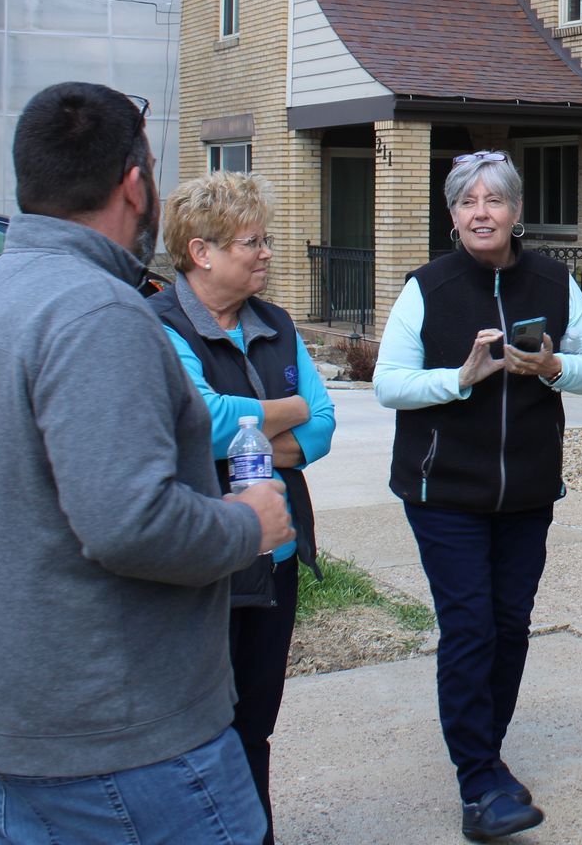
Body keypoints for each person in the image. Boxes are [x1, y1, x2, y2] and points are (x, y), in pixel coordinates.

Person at [0, 82, 292, 845]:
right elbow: (133, 524)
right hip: (120, 740)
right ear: (134, 183)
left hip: (10, 721)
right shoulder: (98, 313)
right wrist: (246, 524)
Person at [373, 150, 582, 841]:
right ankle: (479, 780)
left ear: (515, 212)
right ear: (452, 216)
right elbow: (390, 383)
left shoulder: (554, 281)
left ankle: (487, 758)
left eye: (495, 200)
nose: (482, 213)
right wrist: (461, 376)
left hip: (527, 492)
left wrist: (556, 366)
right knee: (471, 625)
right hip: (443, 490)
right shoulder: (429, 287)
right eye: (468, 202)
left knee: (509, 626)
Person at [149, 172, 336, 845]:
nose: (266, 255)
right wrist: (283, 414)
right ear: (202, 253)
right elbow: (198, 420)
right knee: (199, 726)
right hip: (204, 556)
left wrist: (250, 433)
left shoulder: (275, 324)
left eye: (266, 241)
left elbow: (323, 427)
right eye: (252, 243)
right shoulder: (160, 326)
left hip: (274, 556)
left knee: (255, 722)